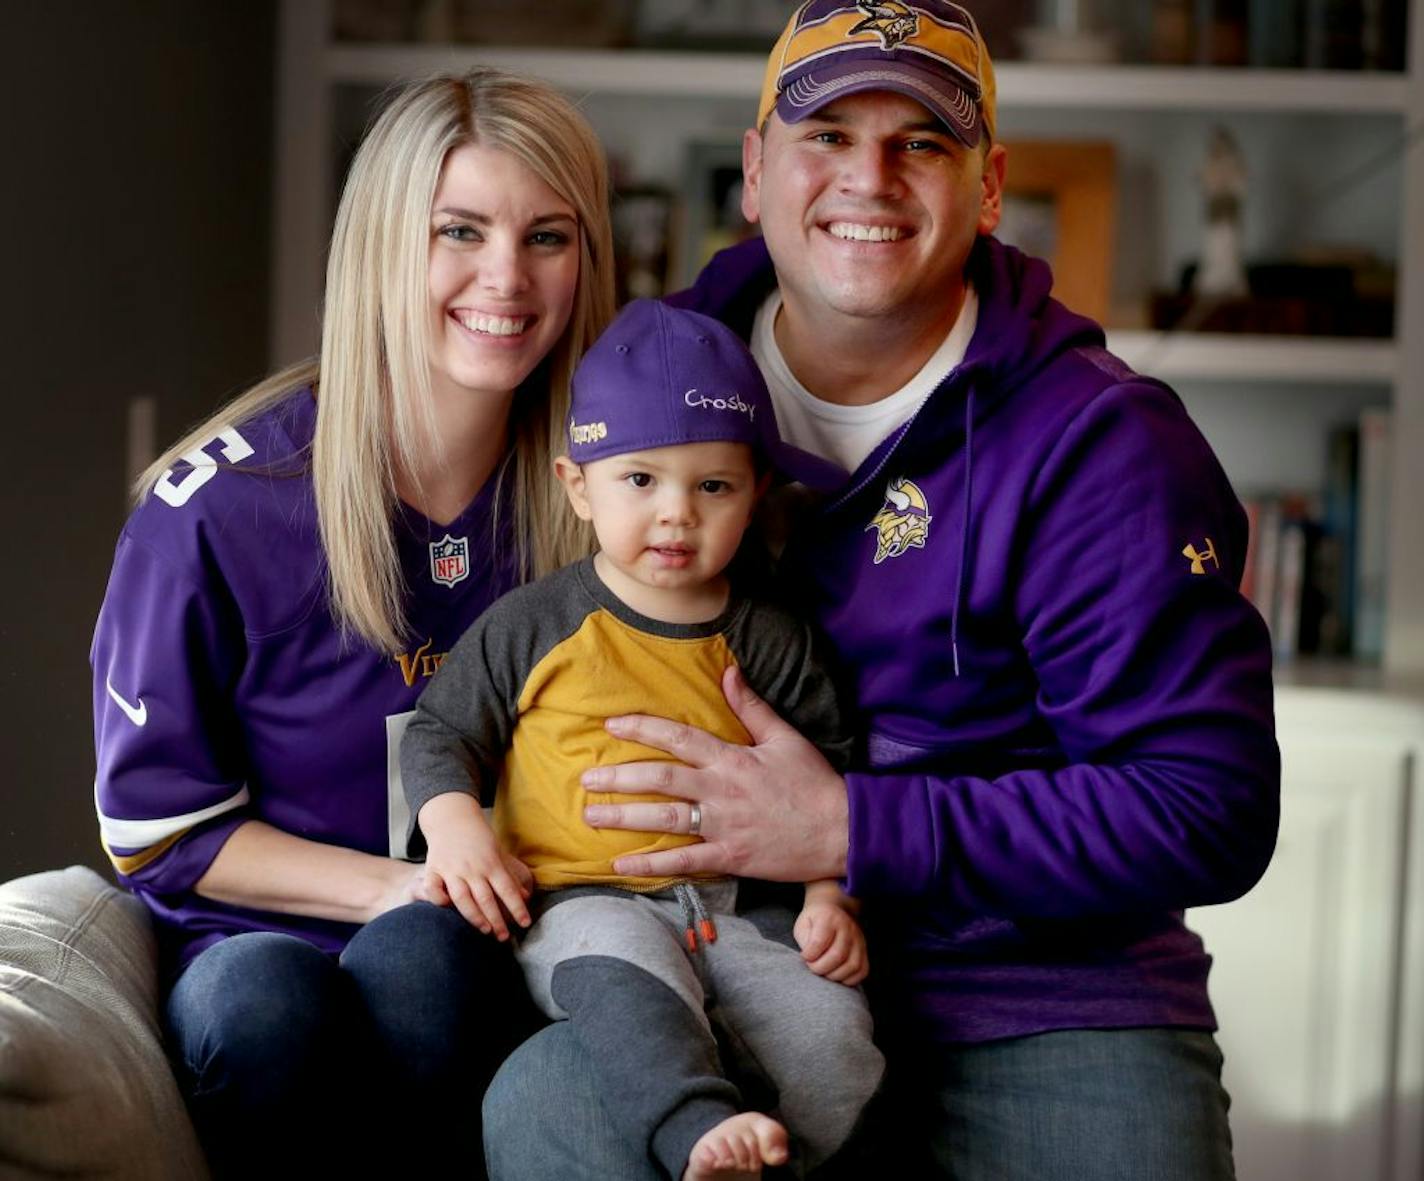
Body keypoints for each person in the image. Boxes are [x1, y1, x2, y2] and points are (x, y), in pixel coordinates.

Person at [483, 3, 1279, 1179]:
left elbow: (1202, 807)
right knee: (551, 1102)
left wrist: (855, 828)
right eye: (827, 134)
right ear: (753, 171)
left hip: (1037, 995)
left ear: (989, 184)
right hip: (714, 960)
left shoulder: (1099, 442)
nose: (871, 176)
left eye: (921, 141)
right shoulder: (640, 385)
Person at [89, 68, 616, 1178]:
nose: (506, 278)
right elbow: (155, 832)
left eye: (549, 236)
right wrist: (394, 883)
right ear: (380, 242)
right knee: (266, 998)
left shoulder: (611, 495)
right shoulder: (216, 511)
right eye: (457, 230)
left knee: (426, 958)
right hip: (262, 944)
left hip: (505, 945)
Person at [400, 299, 884, 1181]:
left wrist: (827, 894)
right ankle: (696, 1132)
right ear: (577, 483)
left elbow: (834, 773)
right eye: (640, 480)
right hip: (585, 903)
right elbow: (441, 730)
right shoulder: (536, 624)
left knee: (833, 1037)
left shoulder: (772, 636)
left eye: (712, 486)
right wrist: (457, 827)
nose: (676, 515)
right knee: (628, 987)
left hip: (740, 910)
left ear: (755, 494)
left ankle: (771, 1159)